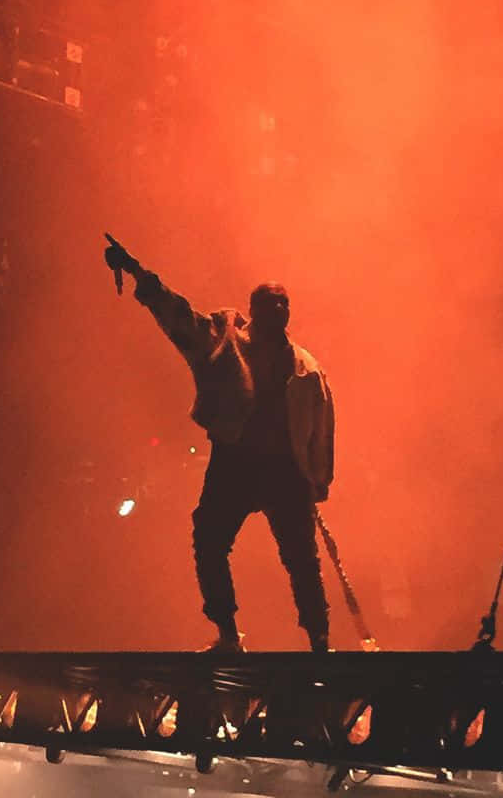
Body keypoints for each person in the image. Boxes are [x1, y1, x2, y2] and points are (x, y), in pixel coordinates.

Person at [104, 237, 334, 652]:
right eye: (269, 301)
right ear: (252, 309)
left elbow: (322, 425)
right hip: (237, 461)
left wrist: (319, 479)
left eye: (283, 302)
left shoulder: (307, 367)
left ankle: (319, 641)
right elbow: (177, 314)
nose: (278, 309)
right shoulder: (224, 344)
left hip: (285, 468)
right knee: (209, 539)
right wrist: (137, 271)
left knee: (302, 560)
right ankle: (228, 634)